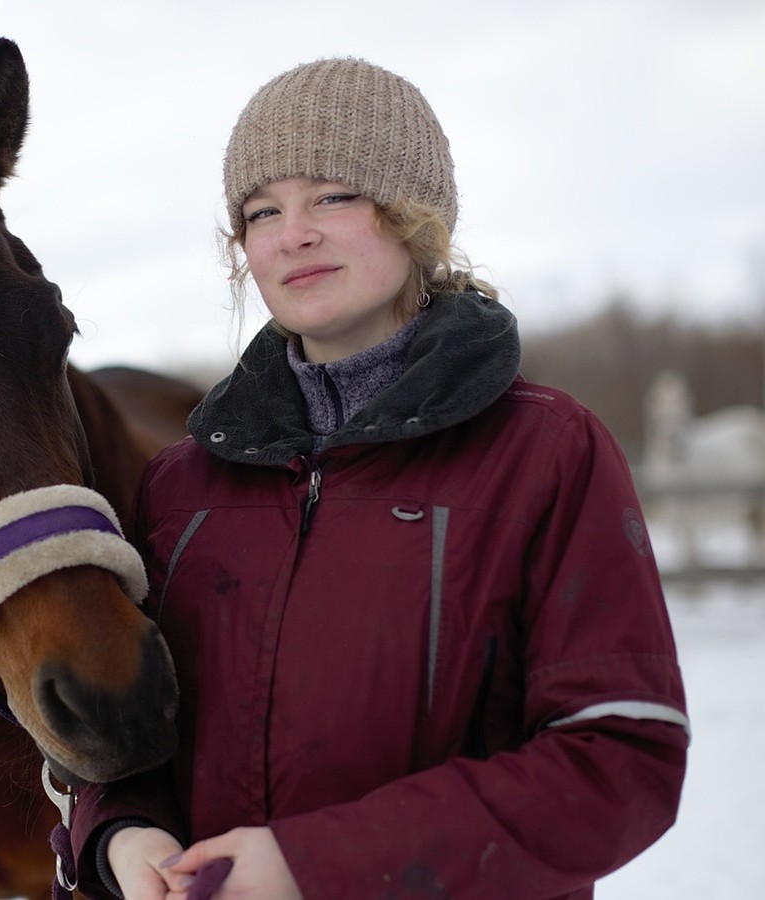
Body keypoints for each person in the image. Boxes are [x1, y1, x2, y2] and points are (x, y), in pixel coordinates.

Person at [69, 56, 688, 899]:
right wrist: (119, 831)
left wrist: (316, 866)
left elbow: (620, 758)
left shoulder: (546, 452)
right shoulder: (183, 484)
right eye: (262, 210)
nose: (293, 234)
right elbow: (131, 730)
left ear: (412, 215)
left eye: (332, 195)